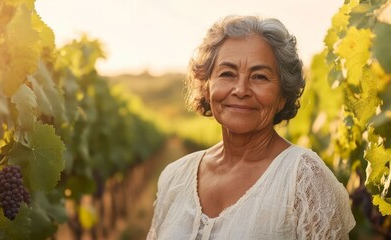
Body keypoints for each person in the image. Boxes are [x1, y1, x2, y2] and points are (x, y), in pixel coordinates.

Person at [147, 15, 355, 239]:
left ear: (282, 96)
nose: (241, 89)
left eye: (259, 77)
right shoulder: (175, 177)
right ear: (206, 87)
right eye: (227, 74)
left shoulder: (304, 179)